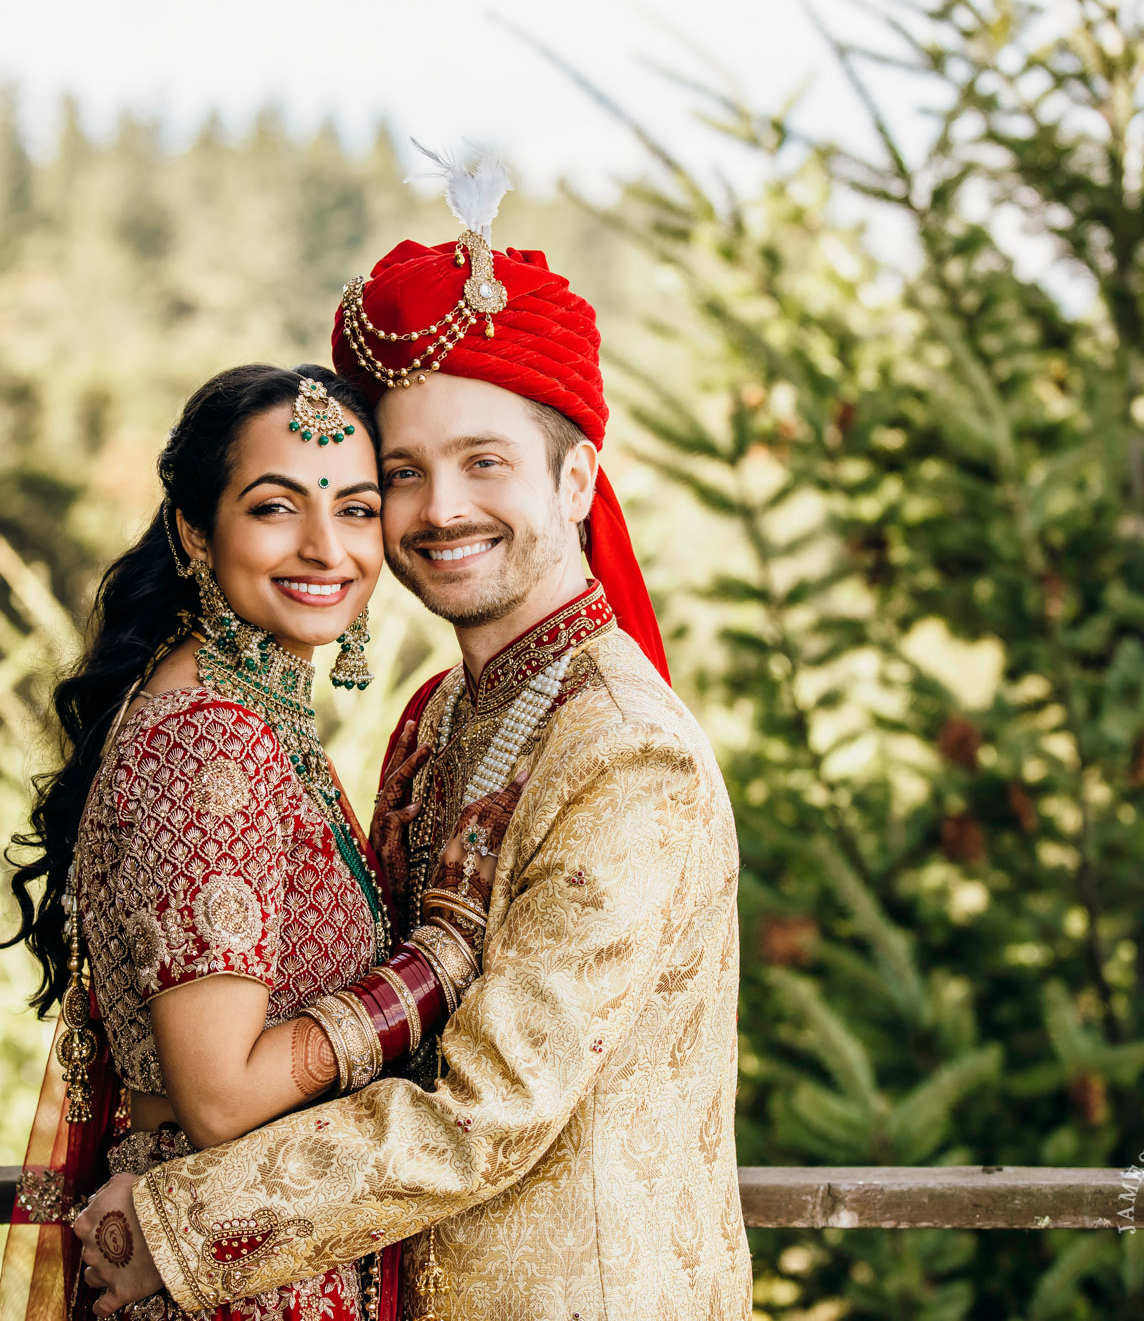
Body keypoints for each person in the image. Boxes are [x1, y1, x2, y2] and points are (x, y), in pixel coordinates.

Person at [72, 156, 752, 1320]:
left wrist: (186, 1224)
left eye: (484, 463)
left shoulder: (625, 752)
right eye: (402, 474)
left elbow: (489, 1106)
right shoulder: (438, 724)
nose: (439, 510)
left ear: (576, 476)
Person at [0, 362, 524, 1321]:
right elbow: (222, 1096)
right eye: (277, 508)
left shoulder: (248, 711)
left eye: (357, 510)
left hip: (246, 1254)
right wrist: (435, 963)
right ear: (197, 531)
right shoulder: (212, 734)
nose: (326, 548)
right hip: (225, 1278)